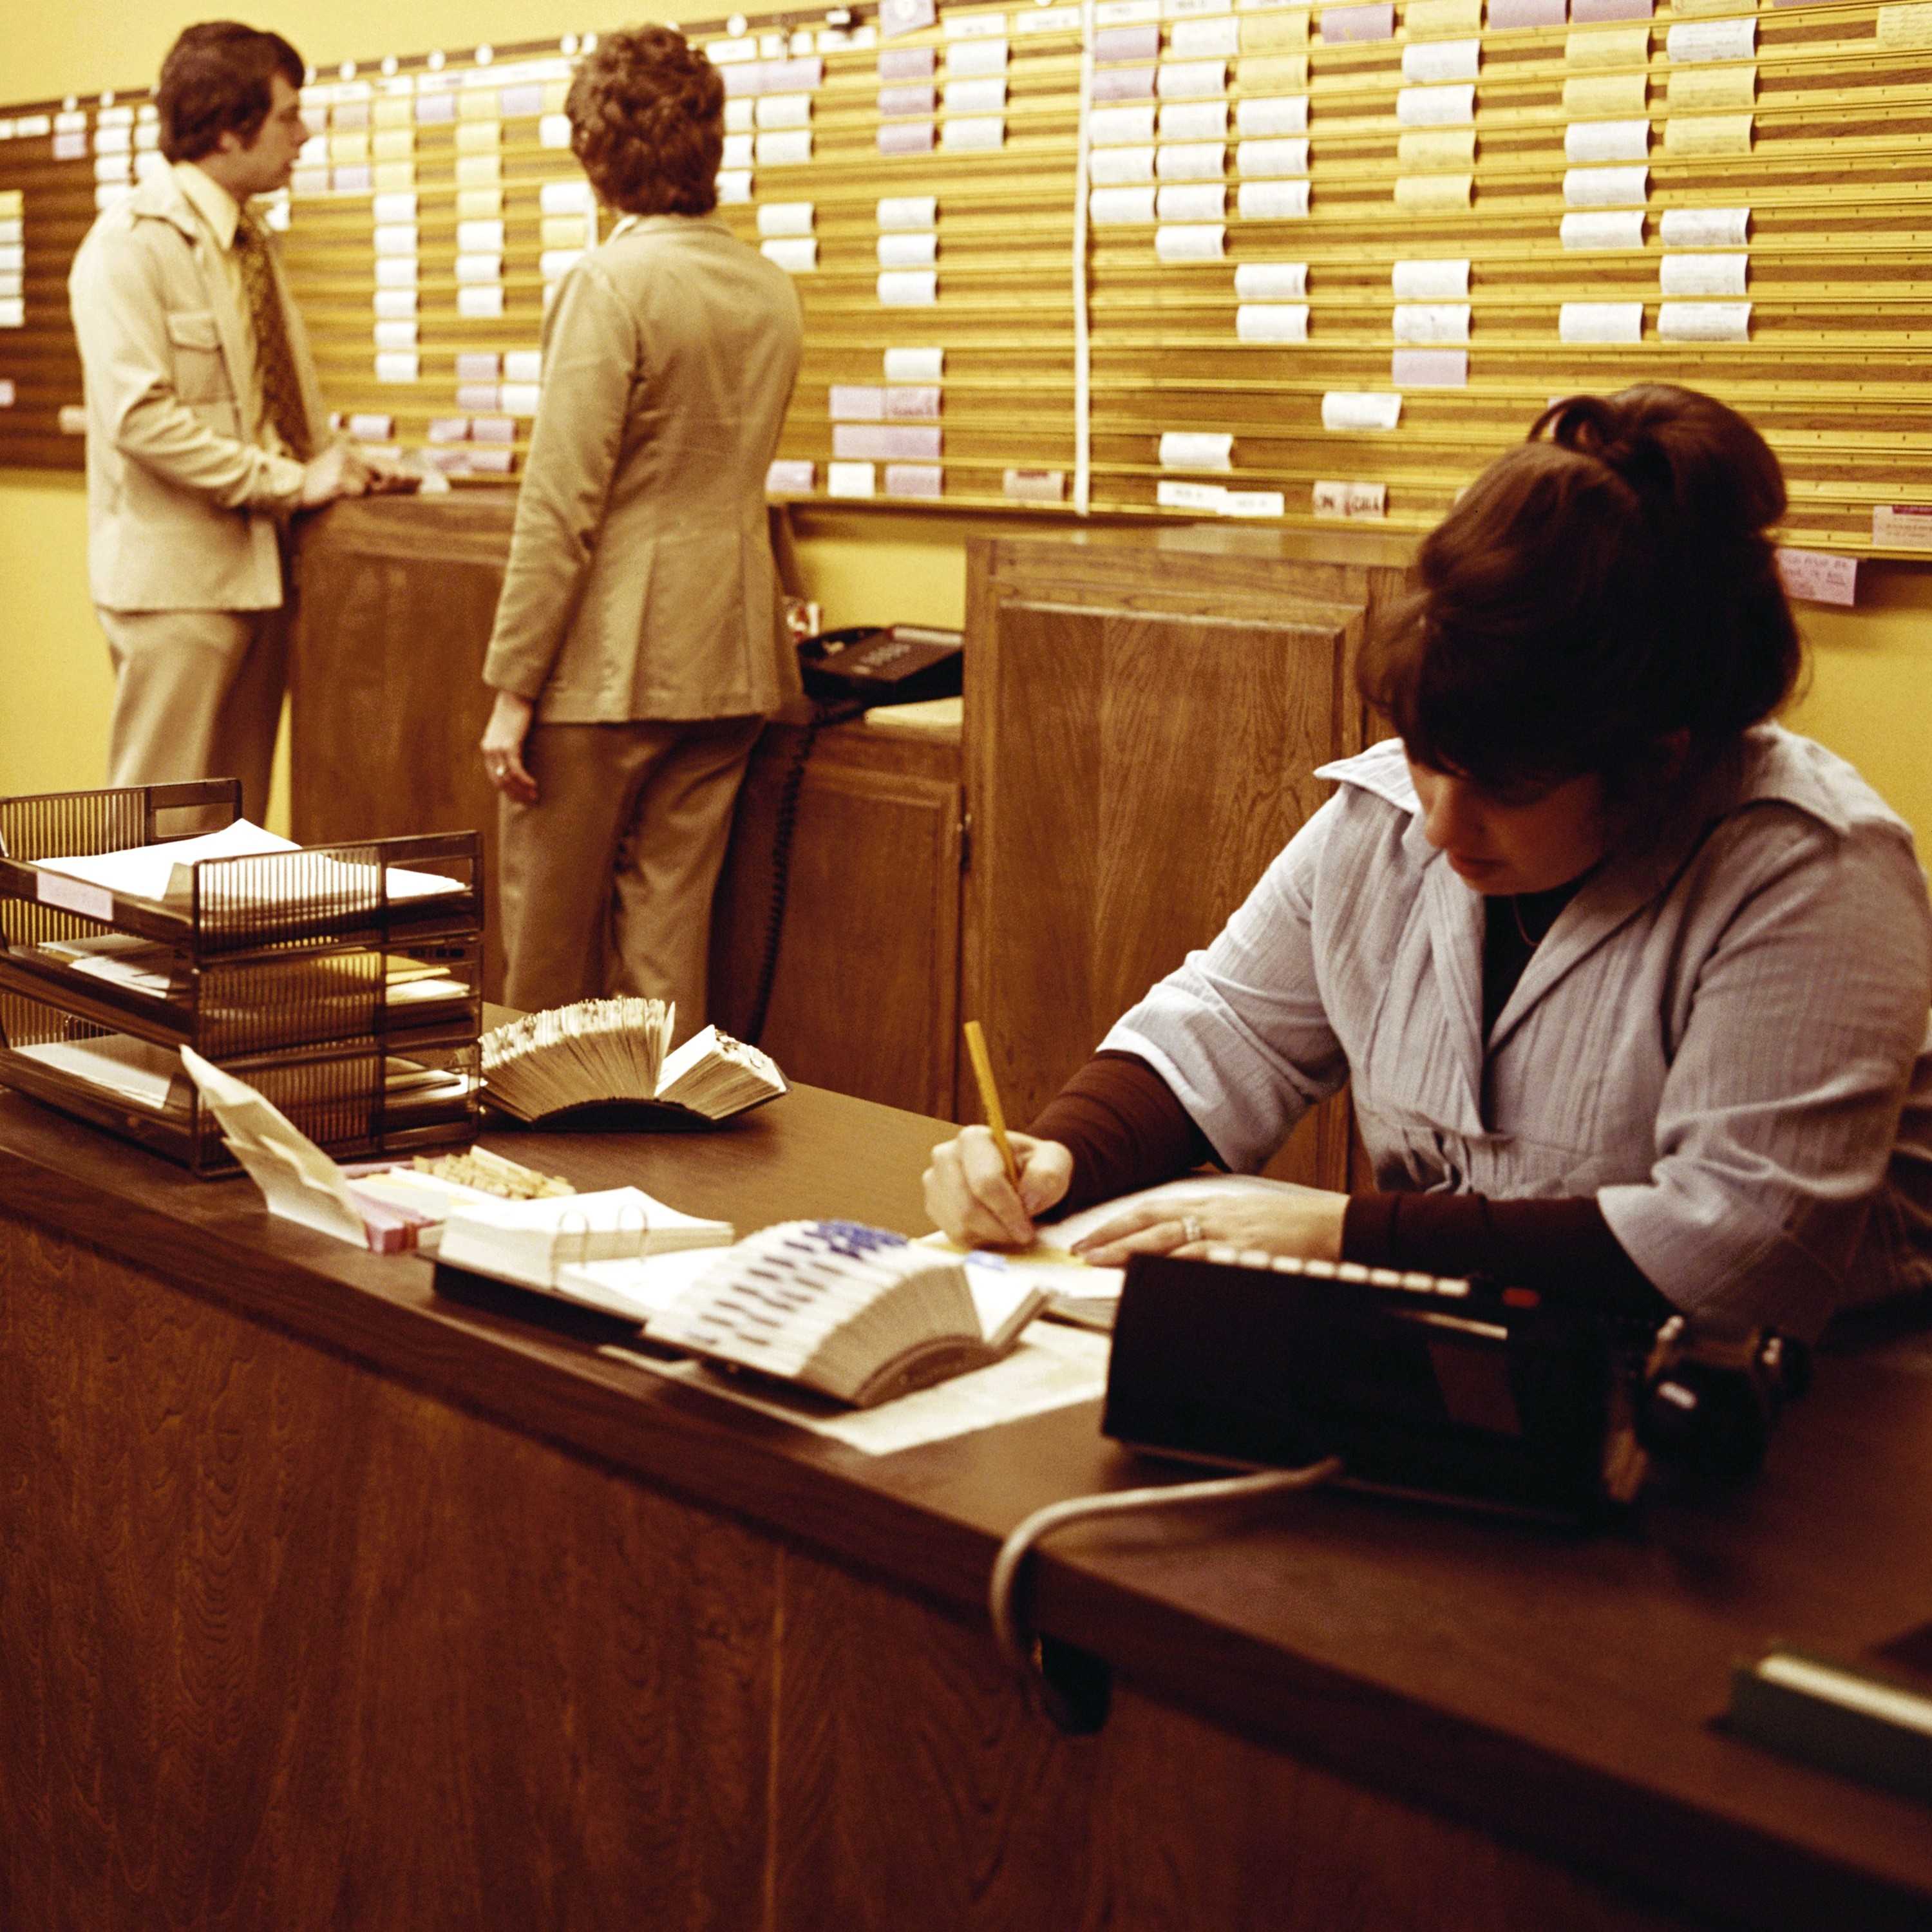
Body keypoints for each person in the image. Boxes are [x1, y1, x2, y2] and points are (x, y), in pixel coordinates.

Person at [926, 385, 1932, 1342]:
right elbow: (1227, 1030)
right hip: (1489, 1355)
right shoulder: (1389, 817)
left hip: (1814, 1406)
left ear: (1656, 760)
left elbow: (1739, 1252)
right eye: (1426, 756)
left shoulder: (1813, 874)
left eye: (1503, 786)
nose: (1440, 827)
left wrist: (1343, 1236)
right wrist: (1063, 1154)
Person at [478, 25, 805, 1036]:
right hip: (730, 658)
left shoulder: (607, 283)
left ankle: (538, 1136)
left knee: (543, 961)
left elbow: (561, 506)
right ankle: (656, 1133)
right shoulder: (769, 287)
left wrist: (512, 692)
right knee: (668, 952)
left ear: (593, 155)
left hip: (607, 666)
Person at [68, 22, 410, 826]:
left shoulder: (251, 242)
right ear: (229, 127)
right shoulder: (128, 247)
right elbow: (141, 421)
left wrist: (339, 463)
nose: (304, 134)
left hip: (262, 578)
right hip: (178, 592)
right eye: (288, 116)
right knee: (152, 840)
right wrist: (294, 480)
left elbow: (269, 404)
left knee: (232, 844)